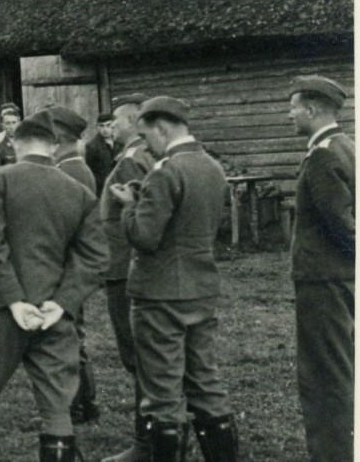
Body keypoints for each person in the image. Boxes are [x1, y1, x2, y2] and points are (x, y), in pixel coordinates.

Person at [0, 110, 106, 462]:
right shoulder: (79, 192)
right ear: (55, 146)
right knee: (57, 411)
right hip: (53, 314)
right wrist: (62, 303)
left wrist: (15, 300)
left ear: (16, 142)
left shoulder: (0, 178)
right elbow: (94, 258)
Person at [108, 96, 239, 462]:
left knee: (163, 394)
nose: (145, 144)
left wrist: (130, 205)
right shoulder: (212, 167)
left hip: (159, 294)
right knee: (205, 383)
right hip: (200, 289)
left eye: (146, 135)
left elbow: (145, 237)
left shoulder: (165, 171)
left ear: (161, 128)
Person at [286, 76, 354, 462]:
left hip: (323, 281)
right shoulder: (347, 146)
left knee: (324, 376)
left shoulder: (323, 154)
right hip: (338, 278)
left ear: (312, 110)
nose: (290, 114)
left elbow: (341, 225)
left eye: (294, 107)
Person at [98, 94, 155, 462]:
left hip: (125, 268)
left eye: (116, 122)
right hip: (122, 266)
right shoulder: (133, 158)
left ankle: (146, 444)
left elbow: (143, 215)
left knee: (138, 358)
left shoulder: (133, 162)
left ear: (133, 122)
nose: (111, 128)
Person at [47, 106, 101, 427]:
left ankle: (78, 405)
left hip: (66, 266)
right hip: (73, 264)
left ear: (58, 137)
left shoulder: (68, 171)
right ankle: (85, 402)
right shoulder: (75, 168)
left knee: (67, 336)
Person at [85, 112, 120, 193]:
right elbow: (89, 171)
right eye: (101, 126)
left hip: (119, 185)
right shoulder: (92, 146)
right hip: (102, 189)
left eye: (108, 125)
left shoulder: (120, 141)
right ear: (97, 127)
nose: (105, 129)